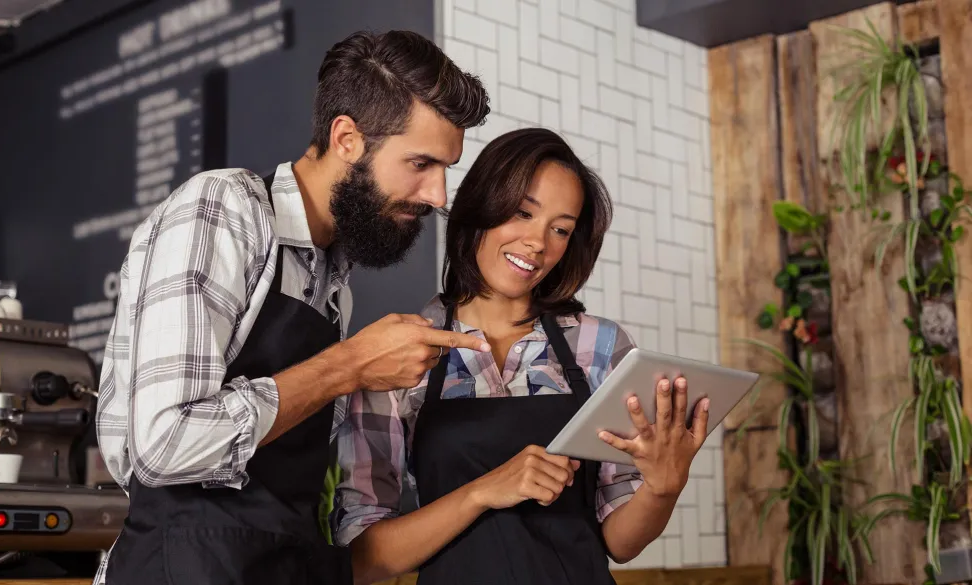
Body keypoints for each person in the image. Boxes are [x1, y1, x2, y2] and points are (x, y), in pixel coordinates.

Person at [93, 30, 491, 585]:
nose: (438, 195)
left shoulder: (332, 278)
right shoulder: (223, 208)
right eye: (420, 163)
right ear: (347, 138)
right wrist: (349, 365)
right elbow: (163, 444)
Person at [331, 127, 712, 585]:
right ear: (480, 208)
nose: (538, 243)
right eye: (522, 213)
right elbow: (365, 557)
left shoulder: (600, 349)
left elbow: (620, 543)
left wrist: (663, 487)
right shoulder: (399, 354)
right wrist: (483, 493)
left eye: (560, 229)